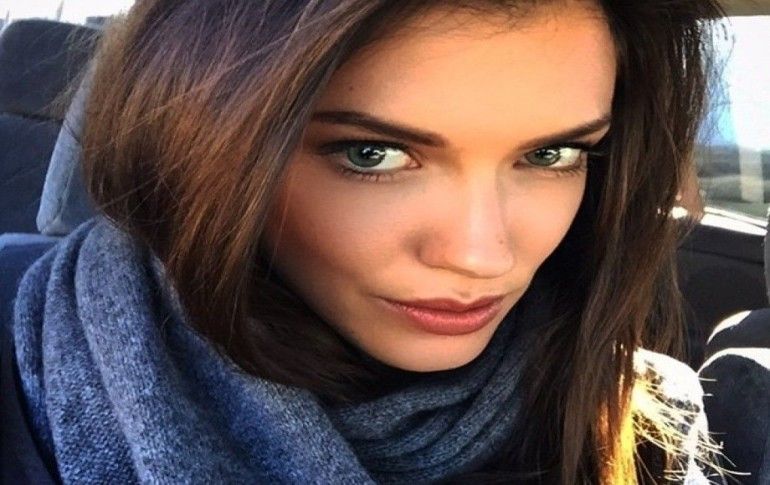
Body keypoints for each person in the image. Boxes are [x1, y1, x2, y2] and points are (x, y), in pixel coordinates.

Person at [2, 0, 731, 483]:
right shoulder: (23, 367)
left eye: (550, 155)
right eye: (371, 154)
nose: (481, 255)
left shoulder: (637, 415)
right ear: (197, 151)